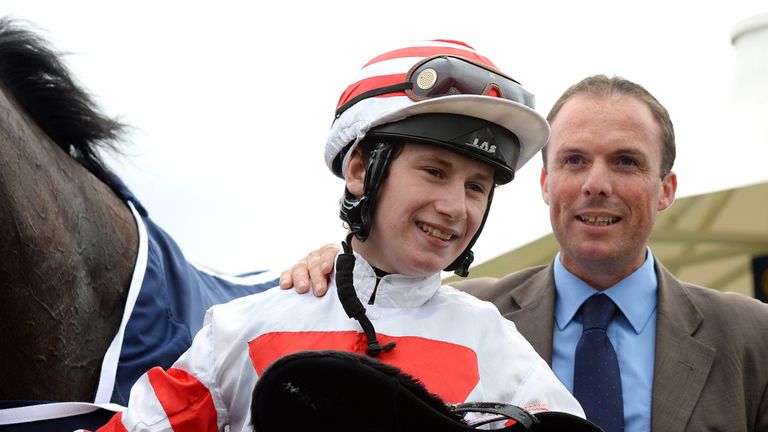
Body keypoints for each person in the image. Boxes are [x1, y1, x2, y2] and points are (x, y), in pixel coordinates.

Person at [88, 39, 587, 432]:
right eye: (435, 172)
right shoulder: (239, 330)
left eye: (476, 187)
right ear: (359, 168)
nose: (456, 207)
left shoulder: (500, 348)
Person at [284, 75, 768, 432]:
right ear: (545, 183)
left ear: (666, 189)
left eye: (625, 161)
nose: (596, 185)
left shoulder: (754, 337)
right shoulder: (457, 314)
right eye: (574, 160)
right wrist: (344, 268)